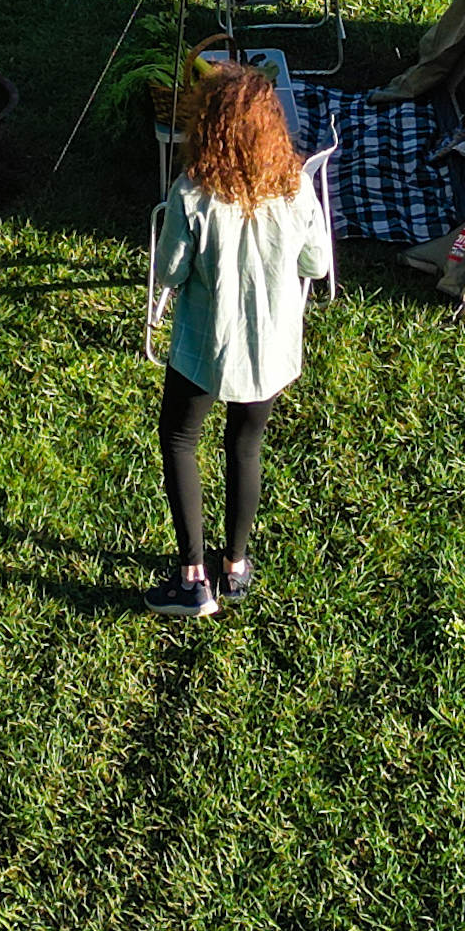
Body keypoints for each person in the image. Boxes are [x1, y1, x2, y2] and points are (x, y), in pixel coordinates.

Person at [144, 58, 330, 618]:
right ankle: (236, 567)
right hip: (269, 349)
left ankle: (192, 580)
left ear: (207, 126)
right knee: (245, 447)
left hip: (203, 348)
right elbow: (317, 265)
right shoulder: (297, 188)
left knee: (180, 440)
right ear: (272, 126)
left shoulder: (191, 193)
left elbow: (170, 272)